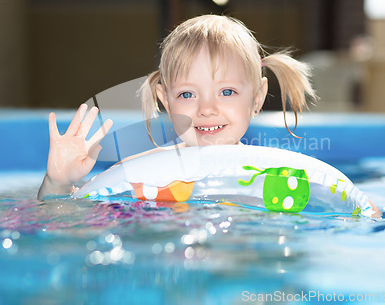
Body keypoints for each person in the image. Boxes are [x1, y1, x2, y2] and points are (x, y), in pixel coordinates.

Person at [37, 14, 316, 200]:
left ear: (256, 99)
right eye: (187, 95)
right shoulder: (141, 174)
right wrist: (57, 183)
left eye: (227, 91)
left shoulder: (272, 174)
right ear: (164, 100)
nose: (207, 109)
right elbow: (65, 220)